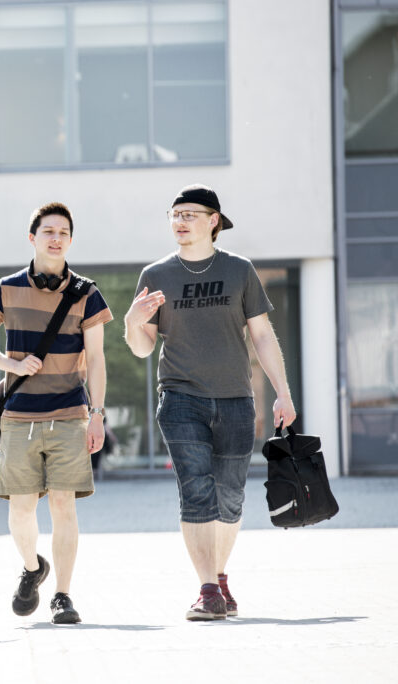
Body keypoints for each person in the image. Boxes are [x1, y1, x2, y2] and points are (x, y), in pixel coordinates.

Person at [124, 184, 296, 621]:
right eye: (175, 214)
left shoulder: (240, 270)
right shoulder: (156, 274)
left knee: (231, 495)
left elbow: (261, 334)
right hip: (180, 397)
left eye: (190, 214)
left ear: (213, 220)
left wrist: (283, 392)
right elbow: (142, 348)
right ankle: (205, 589)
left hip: (236, 399)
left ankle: (218, 577)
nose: (180, 221)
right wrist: (132, 321)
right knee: (196, 490)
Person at [0, 201, 112, 625]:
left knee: (64, 506)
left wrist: (97, 413)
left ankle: (63, 596)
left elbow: (98, 359)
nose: (56, 238)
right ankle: (33, 568)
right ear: (32, 237)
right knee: (20, 510)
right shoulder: (6, 288)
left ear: (70, 239)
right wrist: (12, 365)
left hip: (70, 411)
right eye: (48, 231)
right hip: (18, 415)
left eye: (63, 232)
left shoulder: (87, 293)